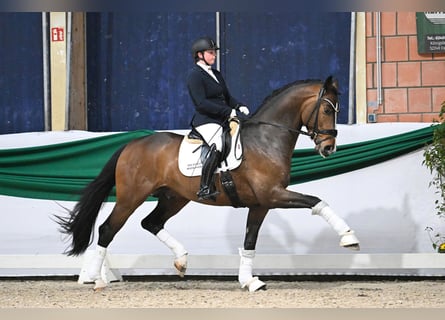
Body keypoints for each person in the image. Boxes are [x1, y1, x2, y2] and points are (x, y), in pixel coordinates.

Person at [187, 36, 250, 200]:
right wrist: (227, 112)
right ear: (200, 55)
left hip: (222, 117)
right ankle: (205, 187)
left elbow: (227, 97)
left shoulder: (215, 73)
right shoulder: (194, 75)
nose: (214, 55)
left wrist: (238, 106)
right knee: (218, 145)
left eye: (214, 52)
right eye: (210, 53)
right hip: (206, 120)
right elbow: (201, 104)